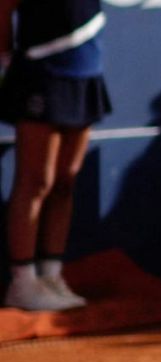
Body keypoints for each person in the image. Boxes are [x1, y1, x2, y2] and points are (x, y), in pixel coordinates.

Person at [0, 0, 110, 311]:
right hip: (40, 72)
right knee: (36, 181)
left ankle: (50, 276)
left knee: (66, 180)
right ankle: (22, 283)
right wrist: (7, 58)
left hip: (86, 70)